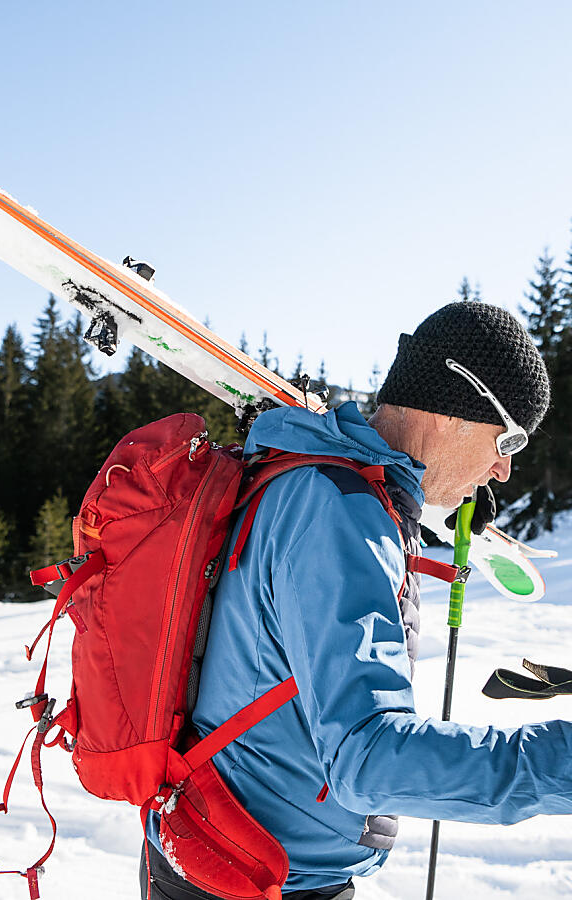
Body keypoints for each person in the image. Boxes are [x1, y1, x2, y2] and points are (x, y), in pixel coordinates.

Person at [141, 301, 572, 900]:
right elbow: (370, 759)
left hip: (239, 856)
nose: (502, 469)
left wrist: (414, 506)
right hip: (251, 875)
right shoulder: (338, 514)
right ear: (455, 409)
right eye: (508, 439)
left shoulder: (319, 484)